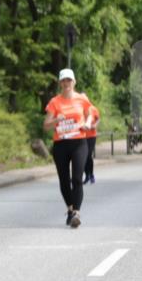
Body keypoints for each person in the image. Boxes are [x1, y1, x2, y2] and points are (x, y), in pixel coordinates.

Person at [43, 68, 92, 227]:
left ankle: (77, 212)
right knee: (64, 180)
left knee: (77, 178)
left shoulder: (81, 99)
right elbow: (46, 126)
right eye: (63, 81)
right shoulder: (54, 102)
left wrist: (88, 123)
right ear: (60, 83)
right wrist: (56, 119)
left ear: (74, 82)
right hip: (61, 144)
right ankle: (70, 210)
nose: (66, 84)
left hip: (79, 142)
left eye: (69, 80)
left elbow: (90, 113)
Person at [82, 101, 100, 185]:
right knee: (84, 156)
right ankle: (87, 175)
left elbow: (98, 119)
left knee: (88, 155)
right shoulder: (78, 109)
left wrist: (95, 125)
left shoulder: (93, 108)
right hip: (81, 136)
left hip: (91, 136)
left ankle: (91, 174)